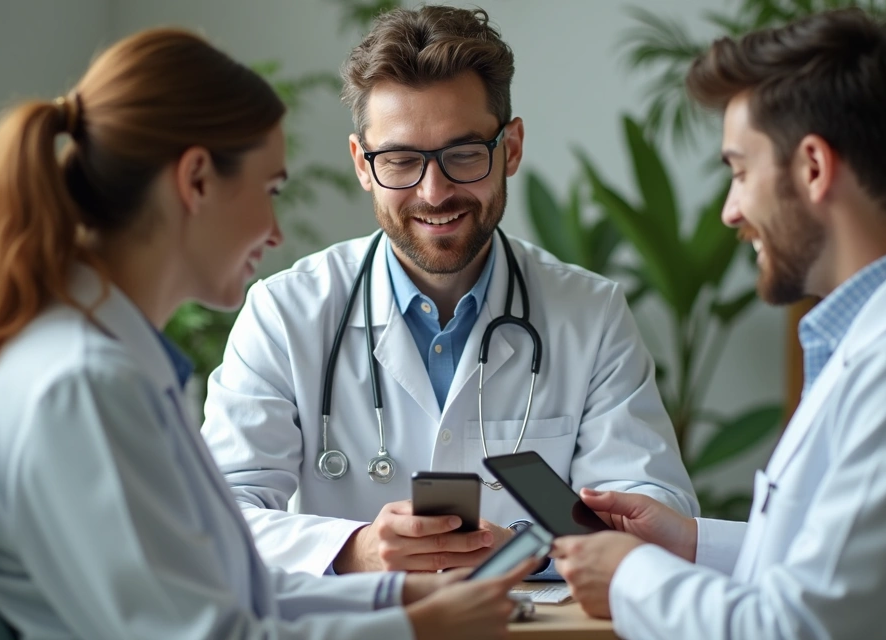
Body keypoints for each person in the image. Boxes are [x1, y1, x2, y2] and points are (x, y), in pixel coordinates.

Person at [0, 28, 534, 640]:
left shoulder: (99, 364)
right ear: (196, 181)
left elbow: (229, 588)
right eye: (269, 190)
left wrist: (397, 595)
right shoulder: (85, 383)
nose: (275, 231)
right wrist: (415, 627)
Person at [549, 8, 886, 640]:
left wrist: (629, 576)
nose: (731, 211)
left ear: (813, 167)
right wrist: (689, 542)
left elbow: (798, 630)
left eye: (739, 172)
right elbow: (844, 575)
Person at [200, 4, 698, 578]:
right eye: (400, 160)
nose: (434, 193)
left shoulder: (591, 314)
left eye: (463, 155)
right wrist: (355, 551)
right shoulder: (284, 313)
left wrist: (525, 549)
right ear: (362, 164)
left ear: (511, 148)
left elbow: (656, 511)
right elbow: (215, 519)